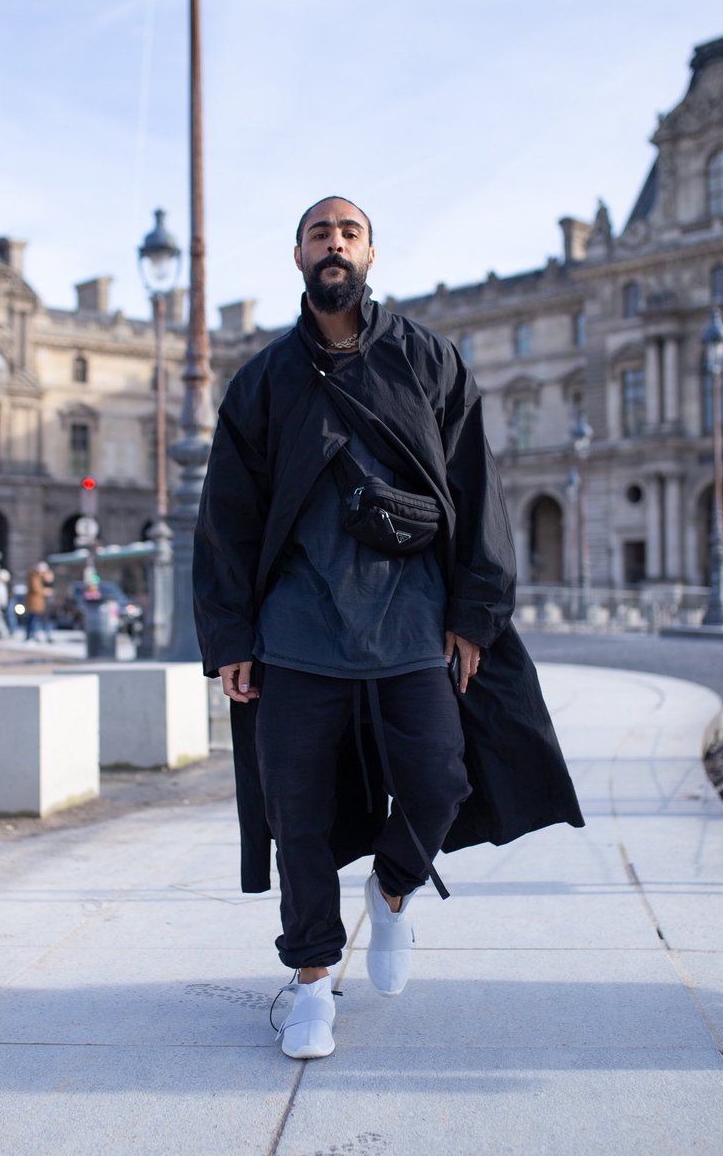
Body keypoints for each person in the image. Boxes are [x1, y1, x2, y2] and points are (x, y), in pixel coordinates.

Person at [193, 196, 585, 1061]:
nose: (333, 243)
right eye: (319, 233)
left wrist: (475, 611)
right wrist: (229, 639)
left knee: (440, 781)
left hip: (413, 620)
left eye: (349, 232)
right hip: (296, 629)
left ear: (369, 253)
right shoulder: (261, 380)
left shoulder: (427, 358)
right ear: (298, 255)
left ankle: (395, 888)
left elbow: (475, 486)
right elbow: (227, 514)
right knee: (297, 813)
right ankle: (310, 984)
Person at [25, 561, 54, 642]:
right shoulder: (34, 577)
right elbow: (36, 588)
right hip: (35, 602)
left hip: (41, 602)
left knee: (38, 620)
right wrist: (44, 591)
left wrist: (49, 577)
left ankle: (40, 635)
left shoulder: (41, 577)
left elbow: (49, 582)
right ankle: (32, 636)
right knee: (34, 620)